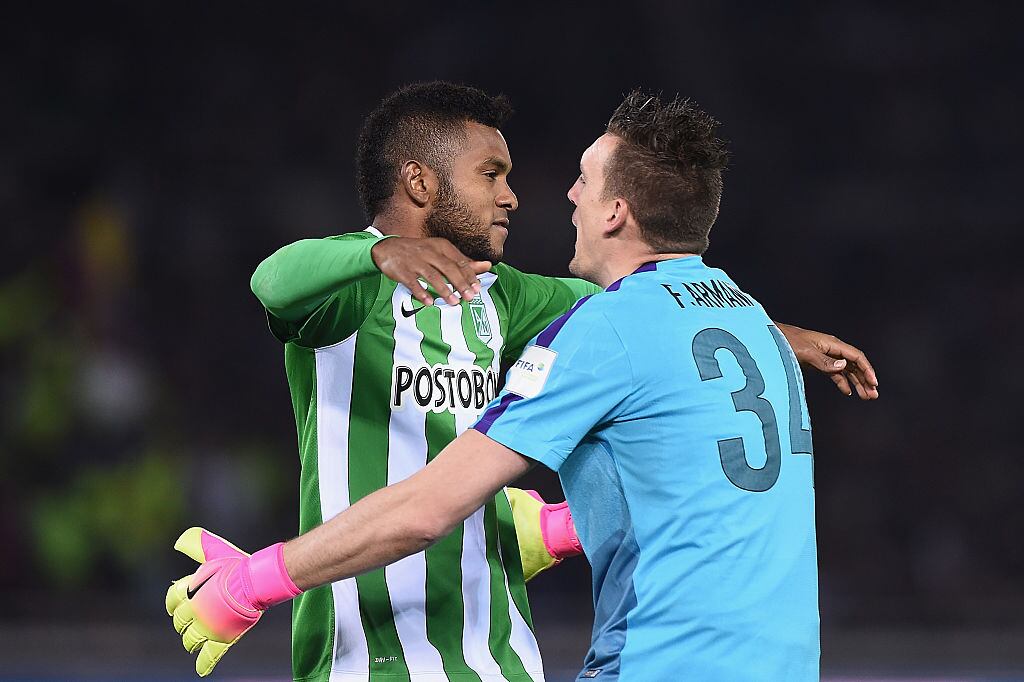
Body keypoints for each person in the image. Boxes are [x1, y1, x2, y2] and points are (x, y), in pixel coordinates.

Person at [167, 84, 877, 681]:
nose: (515, 195)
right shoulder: (351, 286)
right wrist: (378, 253)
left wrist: (779, 333)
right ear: (420, 181)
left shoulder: (498, 296)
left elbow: (642, 319)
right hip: (374, 651)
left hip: (498, 654)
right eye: (491, 173)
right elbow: (271, 282)